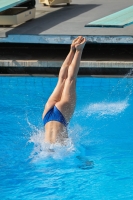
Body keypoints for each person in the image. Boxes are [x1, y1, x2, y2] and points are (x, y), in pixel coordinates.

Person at [42, 36, 86, 144]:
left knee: (70, 79)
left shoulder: (59, 150)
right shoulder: (45, 149)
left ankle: (79, 50)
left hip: (61, 117)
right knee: (61, 79)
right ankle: (72, 50)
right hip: (47, 115)